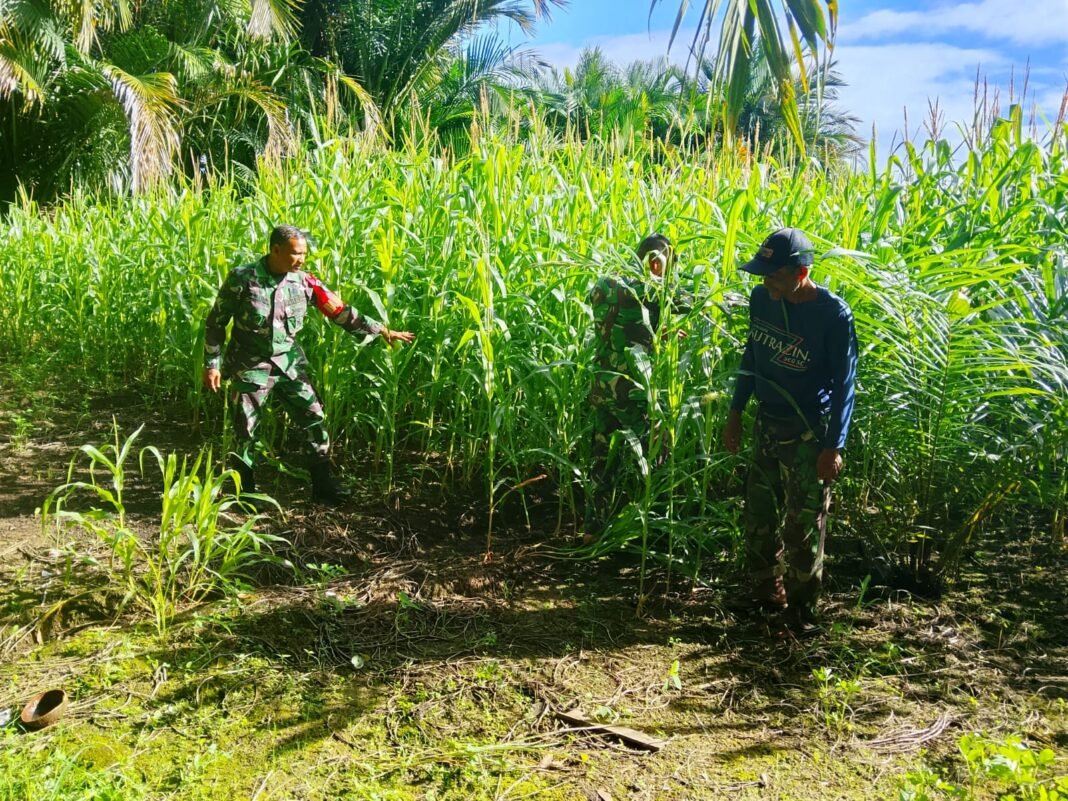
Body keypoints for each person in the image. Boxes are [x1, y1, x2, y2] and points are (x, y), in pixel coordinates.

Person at [203, 224, 414, 505]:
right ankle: (245, 491)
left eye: (304, 253)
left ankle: (323, 486)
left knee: (314, 417)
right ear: (275, 250)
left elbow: (339, 311)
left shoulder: (304, 282)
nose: (301, 259)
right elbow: (216, 323)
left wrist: (381, 330)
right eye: (295, 253)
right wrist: (212, 364)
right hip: (249, 365)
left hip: (289, 364)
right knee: (246, 428)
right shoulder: (243, 279)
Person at [723, 227, 857, 635]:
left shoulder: (832, 315)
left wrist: (834, 445)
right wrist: (735, 410)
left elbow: (845, 383)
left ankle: (801, 613)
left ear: (800, 273)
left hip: (807, 434)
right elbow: (753, 353)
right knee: (759, 514)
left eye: (774, 274)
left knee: (802, 525)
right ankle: (766, 591)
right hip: (768, 422)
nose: (766, 282)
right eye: (763, 274)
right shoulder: (763, 298)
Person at [586, 233, 687, 535]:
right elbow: (657, 331)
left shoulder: (605, 284)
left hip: (602, 385)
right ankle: (655, 533)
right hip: (632, 390)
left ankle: (592, 527)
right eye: (668, 267)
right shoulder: (650, 295)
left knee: (602, 460)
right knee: (658, 456)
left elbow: (615, 326)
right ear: (655, 264)